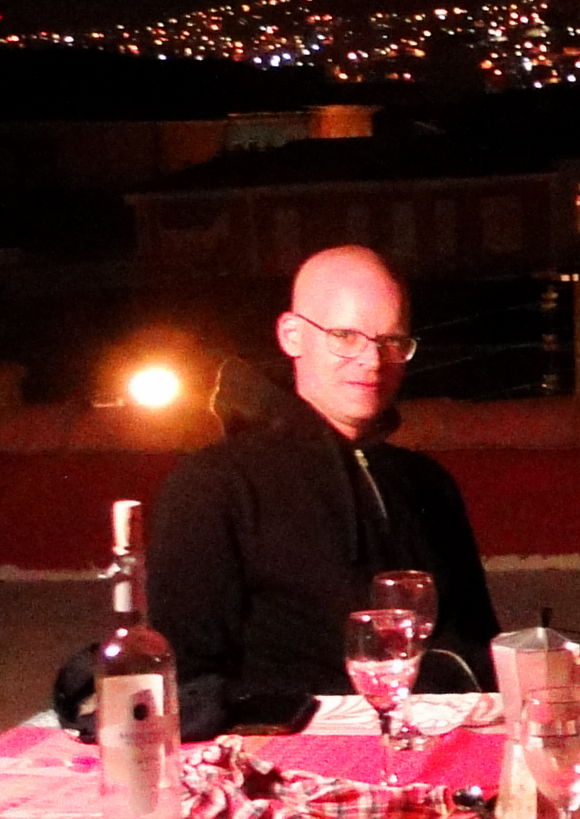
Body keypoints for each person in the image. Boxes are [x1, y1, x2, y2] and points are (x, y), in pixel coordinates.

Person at [145, 244, 501, 715]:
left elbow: (481, 649)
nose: (373, 360)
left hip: (438, 739)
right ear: (291, 335)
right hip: (296, 747)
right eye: (345, 336)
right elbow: (188, 680)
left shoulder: (427, 482)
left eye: (392, 341)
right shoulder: (214, 484)